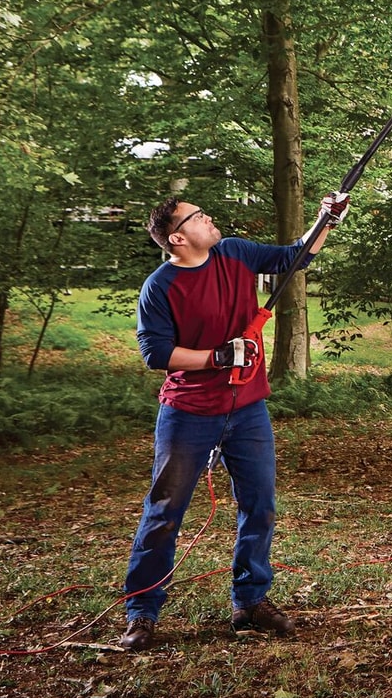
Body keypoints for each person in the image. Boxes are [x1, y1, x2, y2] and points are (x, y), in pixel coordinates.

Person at [118, 193, 347, 652]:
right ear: (177, 238)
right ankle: (142, 610)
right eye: (196, 216)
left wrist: (326, 219)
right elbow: (155, 353)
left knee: (259, 505)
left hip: (247, 410)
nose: (208, 218)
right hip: (188, 412)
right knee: (165, 512)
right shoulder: (160, 286)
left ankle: (250, 601)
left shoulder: (235, 253)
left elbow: (294, 257)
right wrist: (217, 357)